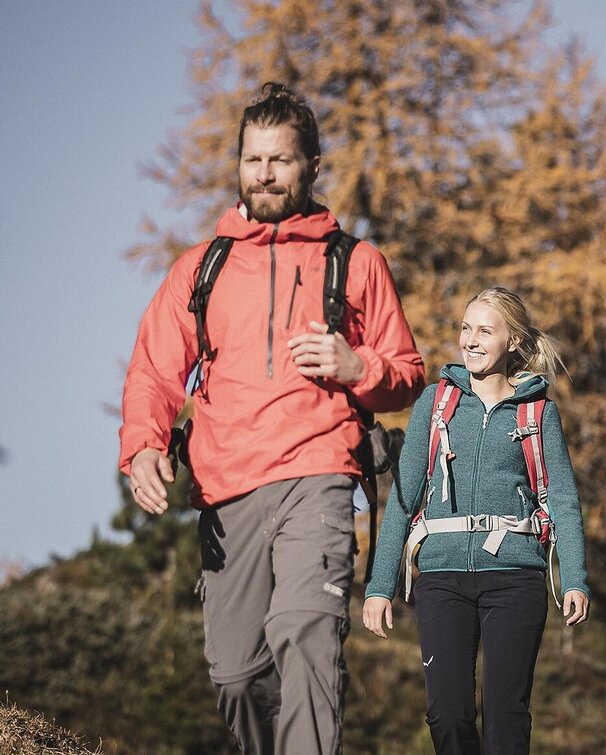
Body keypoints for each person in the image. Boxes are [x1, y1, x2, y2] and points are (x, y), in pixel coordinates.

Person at [118, 82, 425, 754]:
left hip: (318, 475)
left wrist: (357, 366)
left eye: (279, 160)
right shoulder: (202, 268)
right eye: (252, 159)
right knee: (236, 675)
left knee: (304, 629)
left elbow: (407, 372)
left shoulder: (355, 262)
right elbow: (154, 371)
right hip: (226, 489)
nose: (263, 174)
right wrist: (143, 447)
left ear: (311, 165)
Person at [362, 286, 590, 755]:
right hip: (441, 577)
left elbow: (564, 501)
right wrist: (379, 586)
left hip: (516, 578)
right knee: (447, 715)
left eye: (485, 331)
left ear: (513, 340)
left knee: (506, 717)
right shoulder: (435, 403)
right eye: (466, 328)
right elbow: (403, 500)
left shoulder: (537, 412)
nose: (470, 340)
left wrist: (575, 579)